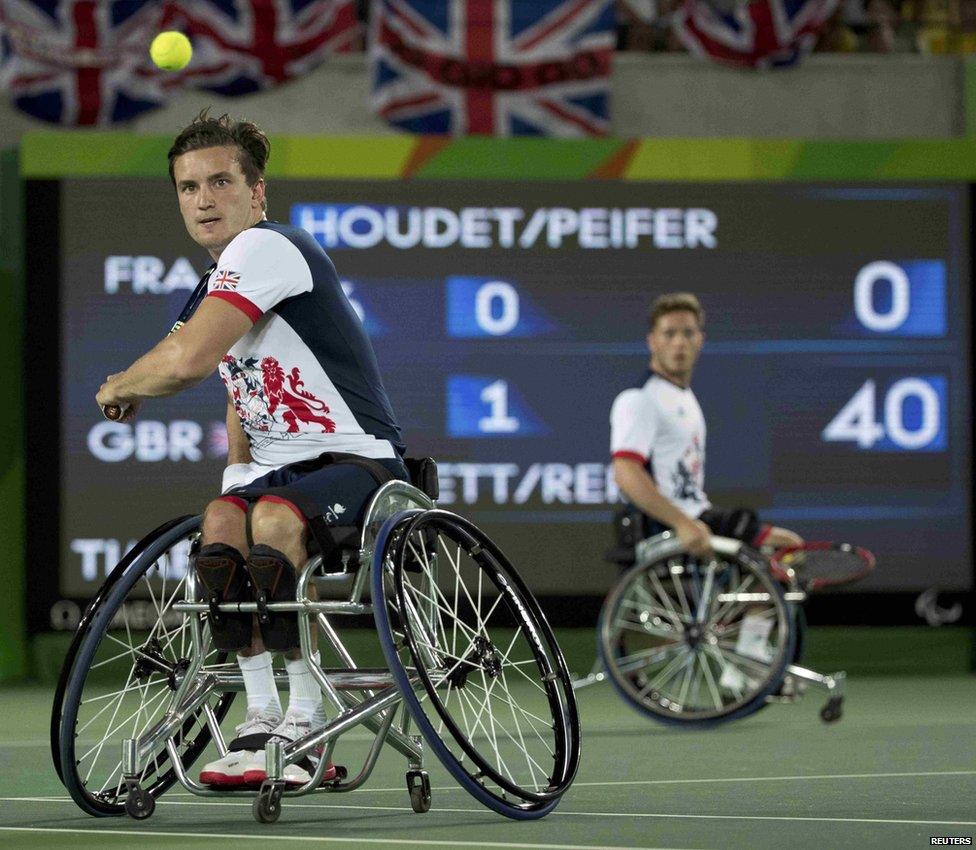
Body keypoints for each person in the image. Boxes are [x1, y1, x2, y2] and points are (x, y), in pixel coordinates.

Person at [95, 111, 408, 788]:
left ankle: (305, 714)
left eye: (220, 182)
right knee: (220, 524)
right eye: (187, 187)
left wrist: (123, 384)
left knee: (271, 521)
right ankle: (260, 713)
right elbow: (238, 388)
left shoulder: (267, 248)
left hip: (361, 462)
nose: (203, 199)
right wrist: (236, 482)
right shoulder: (213, 282)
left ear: (257, 193)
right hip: (280, 471)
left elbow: (188, 359)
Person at [609, 292, 802, 558]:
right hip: (666, 527)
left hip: (699, 517)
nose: (679, 343)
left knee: (788, 547)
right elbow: (625, 472)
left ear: (700, 340)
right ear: (652, 341)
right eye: (669, 334)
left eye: (688, 333)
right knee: (781, 548)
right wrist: (681, 523)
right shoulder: (639, 398)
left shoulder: (684, 397)